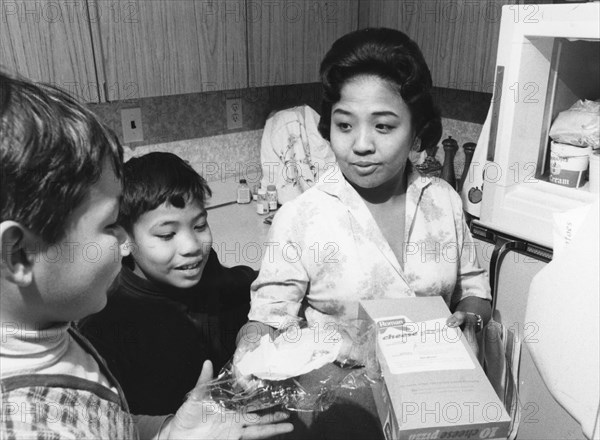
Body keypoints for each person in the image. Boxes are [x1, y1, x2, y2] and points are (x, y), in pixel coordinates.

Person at [0, 71, 293, 439]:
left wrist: (169, 434)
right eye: (110, 226)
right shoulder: (28, 424)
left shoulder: (54, 333)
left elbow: (113, 423)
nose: (122, 240)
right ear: (20, 253)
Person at [236, 28, 492, 362]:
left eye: (383, 126)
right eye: (344, 125)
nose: (360, 145)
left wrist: (470, 321)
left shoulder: (442, 201)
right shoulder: (300, 218)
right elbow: (266, 322)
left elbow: (474, 291)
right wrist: (250, 347)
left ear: (416, 131)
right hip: (341, 405)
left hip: (431, 397)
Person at [79, 152, 257, 415]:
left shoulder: (209, 273)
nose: (192, 246)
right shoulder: (107, 323)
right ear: (124, 240)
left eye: (199, 226)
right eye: (167, 234)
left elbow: (249, 289)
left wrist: (257, 325)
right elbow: (112, 420)